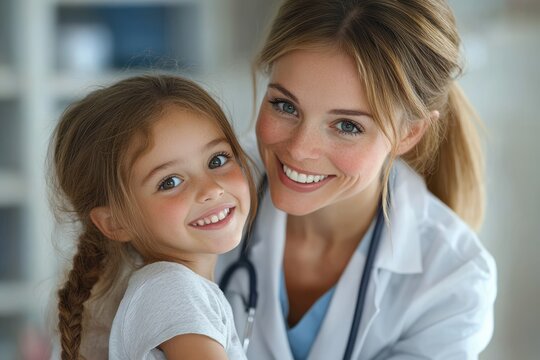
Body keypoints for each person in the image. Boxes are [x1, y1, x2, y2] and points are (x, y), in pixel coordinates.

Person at [217, 0, 497, 359]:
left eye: (348, 126)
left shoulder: (453, 281)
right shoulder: (199, 195)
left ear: (410, 133)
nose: (300, 150)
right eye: (285, 106)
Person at [49, 74, 256, 359]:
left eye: (217, 160)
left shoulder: (168, 288)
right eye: (169, 182)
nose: (210, 189)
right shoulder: (173, 289)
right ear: (116, 222)